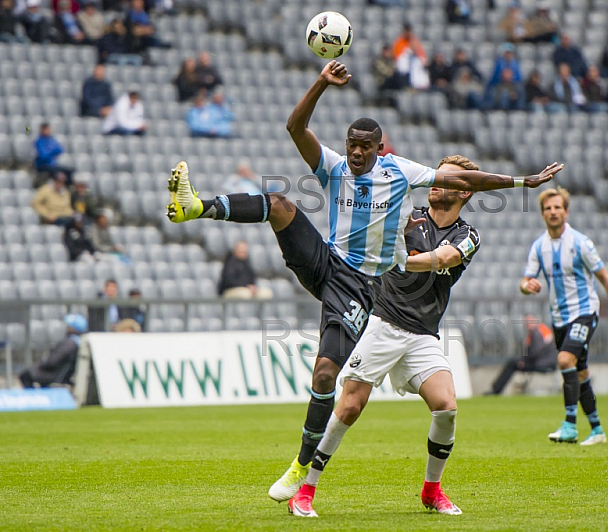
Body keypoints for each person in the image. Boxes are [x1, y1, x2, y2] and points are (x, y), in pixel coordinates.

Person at [164, 60, 563, 504]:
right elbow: (295, 127)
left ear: (379, 148)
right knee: (278, 204)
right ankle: (196, 206)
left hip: (359, 289)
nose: (354, 153)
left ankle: (302, 467)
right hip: (326, 262)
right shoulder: (334, 168)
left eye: (363, 147)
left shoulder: (402, 175)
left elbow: (465, 182)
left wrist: (522, 182)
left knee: (326, 374)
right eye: (350, 145)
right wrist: (320, 82)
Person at [286, 155, 483, 517]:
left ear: (465, 191)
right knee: (349, 406)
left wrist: (403, 259)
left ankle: (431, 490)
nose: (437, 183)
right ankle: (305, 490)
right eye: (436, 177)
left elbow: (447, 258)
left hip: (423, 334)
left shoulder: (468, 235)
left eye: (448, 180)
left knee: (446, 407)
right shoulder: (409, 217)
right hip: (383, 321)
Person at [519, 187, 608, 446]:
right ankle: (597, 430)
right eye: (548, 208)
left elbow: (606, 278)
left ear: (566, 212)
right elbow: (525, 282)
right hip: (559, 319)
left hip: (584, 312)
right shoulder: (539, 247)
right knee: (579, 373)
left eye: (557, 207)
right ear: (542, 214)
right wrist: (527, 286)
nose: (553, 211)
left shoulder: (581, 243)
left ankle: (569, 425)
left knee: (564, 359)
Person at [487, 315, 557, 395]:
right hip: (546, 361)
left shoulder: (538, 333)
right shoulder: (543, 330)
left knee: (512, 363)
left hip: (541, 363)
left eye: (529, 322)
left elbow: (535, 351)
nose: (527, 325)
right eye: (526, 323)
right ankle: (496, 389)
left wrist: (523, 361)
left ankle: (496, 390)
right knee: (513, 362)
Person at [19, 314, 87, 388]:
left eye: (69, 326)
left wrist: (42, 364)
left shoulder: (69, 343)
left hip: (54, 375)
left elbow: (53, 361)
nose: (66, 327)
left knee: (26, 375)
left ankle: (35, 397)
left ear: (73, 329)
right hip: (62, 375)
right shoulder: (79, 342)